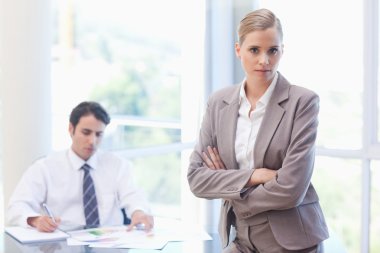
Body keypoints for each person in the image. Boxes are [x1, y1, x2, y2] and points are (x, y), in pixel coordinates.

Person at [187, 8, 329, 253]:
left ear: (282, 51)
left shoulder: (302, 102)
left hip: (292, 241)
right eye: (254, 50)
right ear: (238, 50)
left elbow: (291, 189)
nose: (264, 60)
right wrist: (255, 175)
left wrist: (230, 189)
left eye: (272, 50)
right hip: (241, 239)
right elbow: (196, 179)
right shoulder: (218, 102)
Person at [7, 101, 154, 233]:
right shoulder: (44, 168)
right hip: (62, 243)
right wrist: (36, 220)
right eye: (86, 132)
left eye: (99, 134)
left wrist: (138, 212)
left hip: (109, 242)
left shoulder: (118, 165)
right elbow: (16, 206)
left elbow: (133, 195)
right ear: (71, 129)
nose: (92, 141)